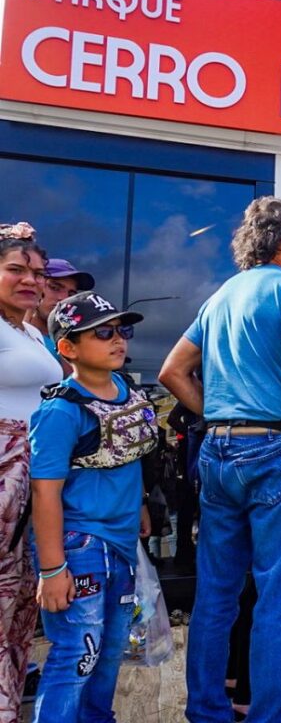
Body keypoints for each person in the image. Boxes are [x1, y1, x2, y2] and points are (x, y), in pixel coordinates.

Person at [158, 196, 281, 723]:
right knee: (280, 594)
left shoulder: (220, 296)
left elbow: (171, 372)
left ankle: (206, 711)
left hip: (218, 450)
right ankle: (273, 714)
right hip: (275, 448)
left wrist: (217, 412)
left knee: (216, 593)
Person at [29, 291, 155, 722]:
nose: (117, 339)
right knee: (78, 653)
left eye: (122, 329)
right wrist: (51, 569)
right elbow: (44, 491)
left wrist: (140, 504)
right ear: (68, 347)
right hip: (80, 544)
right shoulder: (61, 411)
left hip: (120, 542)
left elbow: (128, 455)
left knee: (111, 649)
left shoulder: (126, 390)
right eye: (102, 333)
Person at [0, 223, 62, 723]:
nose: (30, 280)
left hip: (34, 474)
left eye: (37, 273)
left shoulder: (33, 333)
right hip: (3, 470)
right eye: (15, 269)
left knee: (21, 601)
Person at [24, 258, 94, 367]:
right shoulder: (6, 331)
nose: (63, 298)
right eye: (54, 288)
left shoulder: (76, 344)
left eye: (71, 295)